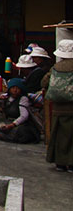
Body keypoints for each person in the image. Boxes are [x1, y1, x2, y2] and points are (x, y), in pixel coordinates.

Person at [43, 39, 73, 172]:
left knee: (58, 134)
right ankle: (71, 164)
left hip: (56, 108)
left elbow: (44, 82)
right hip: (71, 108)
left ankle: (60, 163)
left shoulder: (55, 67)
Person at [0, 78, 41, 144]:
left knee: (21, 133)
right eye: (13, 88)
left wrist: (12, 125)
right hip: (8, 121)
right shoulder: (6, 97)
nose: (15, 90)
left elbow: (24, 116)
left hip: (21, 124)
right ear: (9, 89)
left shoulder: (23, 99)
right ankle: (2, 132)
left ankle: (0, 135)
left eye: (17, 88)